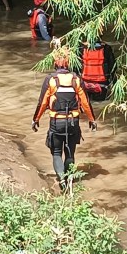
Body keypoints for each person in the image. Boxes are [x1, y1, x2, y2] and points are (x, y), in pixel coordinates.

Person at [31, 49, 97, 189]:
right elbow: (85, 103)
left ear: (55, 63)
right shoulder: (76, 79)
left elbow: (42, 102)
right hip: (73, 122)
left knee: (56, 153)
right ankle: (69, 180)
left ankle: (61, 180)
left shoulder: (51, 80)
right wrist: (92, 120)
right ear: (69, 63)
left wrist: (35, 120)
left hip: (56, 122)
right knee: (70, 153)